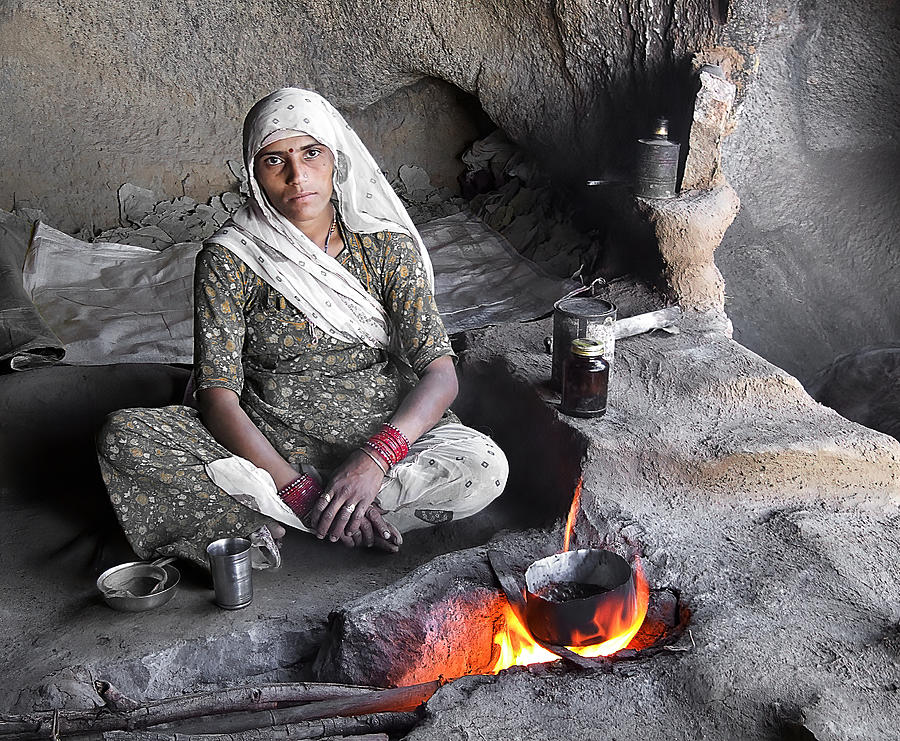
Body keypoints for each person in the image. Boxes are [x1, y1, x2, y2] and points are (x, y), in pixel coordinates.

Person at [97, 88, 508, 568]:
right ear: (254, 174)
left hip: (381, 439)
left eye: (311, 153)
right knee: (123, 436)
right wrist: (293, 486)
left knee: (483, 466)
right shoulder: (231, 258)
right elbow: (218, 396)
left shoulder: (385, 249)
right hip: (267, 450)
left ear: (336, 158)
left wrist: (374, 461)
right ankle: (337, 516)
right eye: (275, 161)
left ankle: (318, 515)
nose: (298, 176)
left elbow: (440, 373)